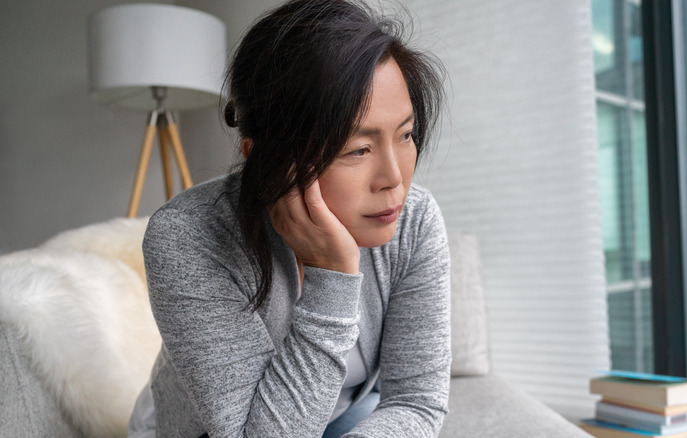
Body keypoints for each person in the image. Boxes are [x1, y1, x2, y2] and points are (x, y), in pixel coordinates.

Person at [127, 0, 451, 436]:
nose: (394, 179)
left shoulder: (415, 221)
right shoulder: (186, 237)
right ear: (267, 161)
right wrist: (332, 275)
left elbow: (417, 401)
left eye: (406, 135)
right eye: (358, 149)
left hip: (341, 418)